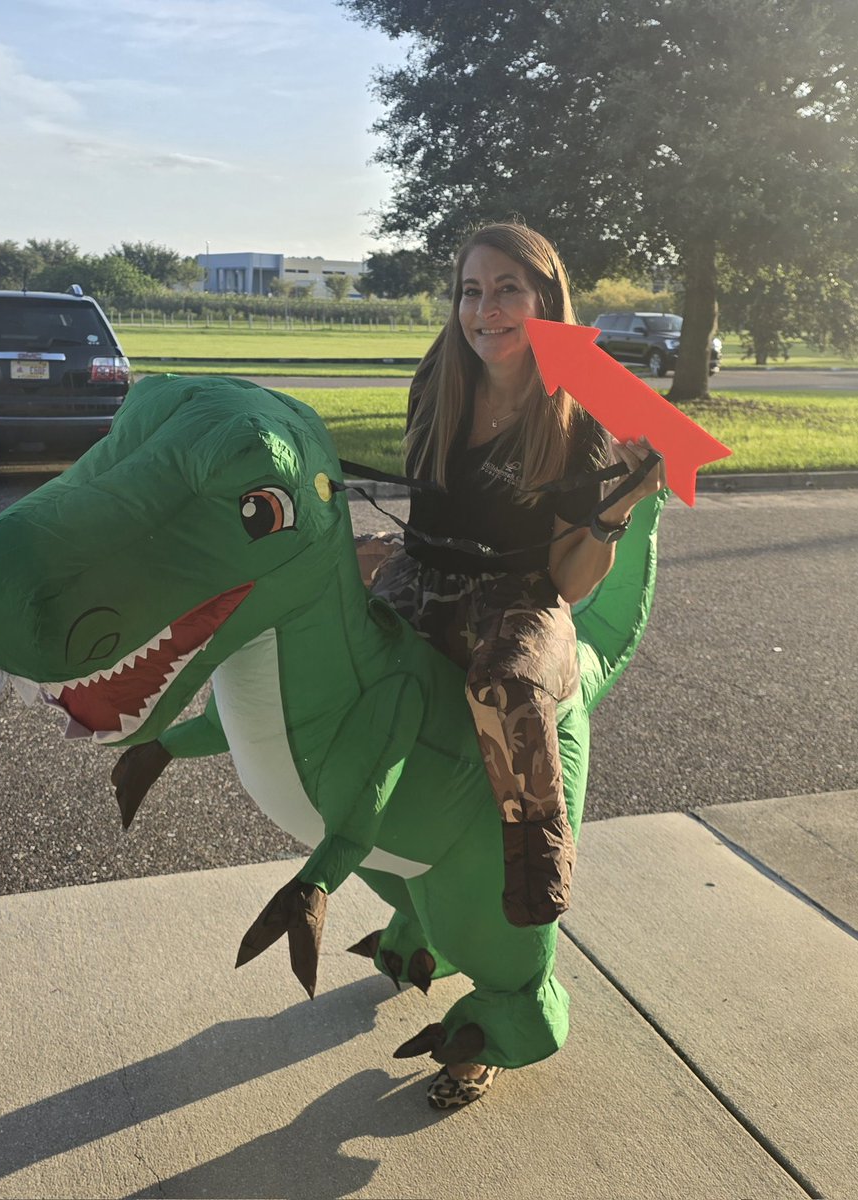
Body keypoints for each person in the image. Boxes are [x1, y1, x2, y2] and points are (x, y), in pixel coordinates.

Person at [357, 221, 665, 1107]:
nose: (484, 309)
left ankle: (530, 865)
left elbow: (570, 579)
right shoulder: (437, 377)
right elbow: (426, 511)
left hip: (519, 594)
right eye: (469, 290)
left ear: (543, 301)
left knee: (505, 686)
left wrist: (612, 511)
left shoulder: (577, 410)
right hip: (427, 569)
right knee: (339, 655)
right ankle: (379, 869)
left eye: (506, 291)